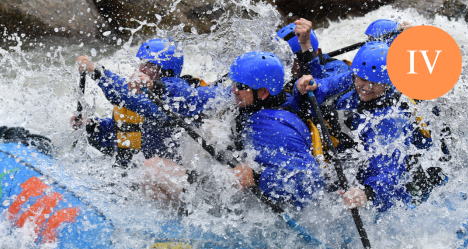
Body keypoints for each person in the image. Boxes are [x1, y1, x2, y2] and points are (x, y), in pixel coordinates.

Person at [136, 51, 326, 208]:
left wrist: (258, 178)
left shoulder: (274, 128)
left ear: (263, 92)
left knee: (153, 170)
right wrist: (156, 86)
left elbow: (312, 183)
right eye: (234, 84)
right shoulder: (249, 99)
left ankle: (181, 229)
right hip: (236, 188)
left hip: (252, 203)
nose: (234, 90)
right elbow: (194, 98)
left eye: (241, 87)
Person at [296, 41, 414, 212]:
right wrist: (306, 84)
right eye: (363, 80)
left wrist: (368, 192)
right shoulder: (352, 79)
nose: (366, 87)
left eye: (375, 83)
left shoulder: (390, 120)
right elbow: (324, 86)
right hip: (349, 165)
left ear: (388, 83)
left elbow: (389, 170)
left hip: (385, 203)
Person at [73, 38, 191, 168]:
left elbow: (133, 100)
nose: (141, 69)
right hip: (129, 174)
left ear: (167, 72)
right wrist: (92, 126)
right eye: (142, 63)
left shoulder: (175, 96)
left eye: (150, 65)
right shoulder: (135, 94)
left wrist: (97, 72)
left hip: (161, 179)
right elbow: (116, 135)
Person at [277, 19, 351, 91]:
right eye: (284, 61)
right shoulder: (286, 76)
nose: (288, 67)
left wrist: (306, 48)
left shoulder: (338, 68)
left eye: (290, 62)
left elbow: (321, 89)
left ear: (317, 53)